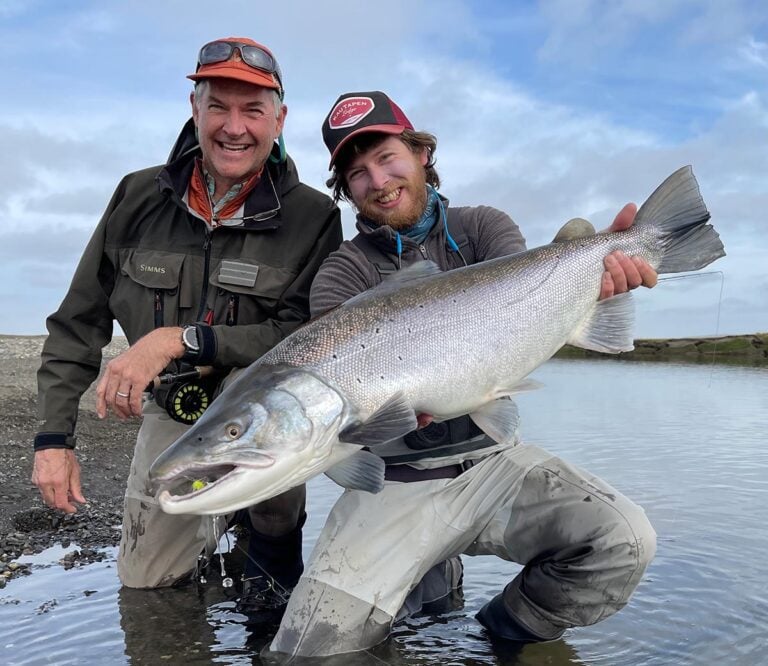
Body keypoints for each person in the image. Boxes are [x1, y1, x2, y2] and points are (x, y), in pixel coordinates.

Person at [266, 91, 659, 658]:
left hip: (493, 460)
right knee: (308, 652)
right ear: (346, 189)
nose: (377, 180)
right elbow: (336, 402)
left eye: (387, 157)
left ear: (422, 152)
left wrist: (592, 278)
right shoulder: (341, 272)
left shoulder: (484, 228)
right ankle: (422, 588)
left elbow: (529, 310)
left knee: (624, 538)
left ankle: (500, 634)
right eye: (356, 173)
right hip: (399, 483)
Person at [30, 37, 343, 621]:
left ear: (280, 118)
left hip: (265, 404)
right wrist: (53, 441)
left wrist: (180, 337)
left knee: (271, 593)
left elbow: (309, 333)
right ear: (194, 109)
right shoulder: (134, 196)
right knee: (148, 589)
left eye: (253, 111)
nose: (234, 127)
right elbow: (77, 323)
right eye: (218, 106)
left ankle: (271, 551)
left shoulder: (314, 215)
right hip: (173, 408)